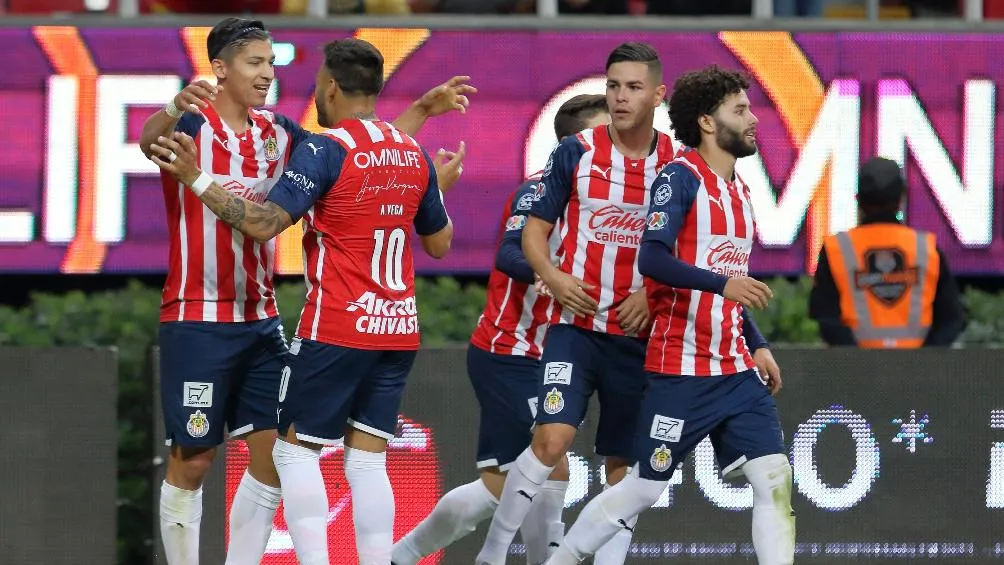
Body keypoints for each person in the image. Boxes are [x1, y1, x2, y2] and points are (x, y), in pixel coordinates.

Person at [139, 18, 474, 564]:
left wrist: (419, 115)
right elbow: (149, 141)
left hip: (261, 319)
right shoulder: (191, 127)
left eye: (272, 62)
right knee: (194, 459)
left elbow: (360, 150)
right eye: (255, 62)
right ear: (220, 69)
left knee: (275, 460)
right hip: (197, 316)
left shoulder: (282, 133)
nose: (268, 74)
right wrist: (175, 107)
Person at [542, 64, 795, 565]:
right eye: (740, 110)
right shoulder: (678, 178)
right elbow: (652, 259)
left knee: (775, 480)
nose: (753, 121)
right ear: (707, 122)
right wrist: (726, 285)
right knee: (642, 489)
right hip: (681, 370)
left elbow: (730, 278)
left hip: (735, 369)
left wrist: (757, 342)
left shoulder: (742, 191)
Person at [474, 42, 678, 565]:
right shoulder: (576, 152)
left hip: (639, 338)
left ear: (658, 94)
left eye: (633, 87)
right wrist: (552, 276)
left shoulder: (680, 166)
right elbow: (532, 234)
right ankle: (493, 556)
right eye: (613, 86)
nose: (620, 97)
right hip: (576, 327)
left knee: (622, 466)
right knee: (550, 440)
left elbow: (693, 251)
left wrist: (650, 297)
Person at [391, 94, 610, 565]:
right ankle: (404, 555)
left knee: (530, 473)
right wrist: (551, 277)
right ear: (576, 143)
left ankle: (403, 557)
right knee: (528, 471)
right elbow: (510, 253)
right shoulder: (540, 190)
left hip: (550, 353)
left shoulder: (609, 196)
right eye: (604, 131)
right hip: (510, 351)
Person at [809, 156, 966, 348]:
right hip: (919, 374)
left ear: (859, 200)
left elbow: (825, 317)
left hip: (856, 374)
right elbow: (951, 319)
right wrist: (924, 360)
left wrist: (854, 362)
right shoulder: (927, 248)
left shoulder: (837, 248)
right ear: (901, 198)